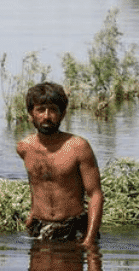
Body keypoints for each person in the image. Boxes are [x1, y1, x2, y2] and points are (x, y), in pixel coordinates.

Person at [16, 82, 103, 245]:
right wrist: (31, 215)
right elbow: (36, 182)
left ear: (62, 114)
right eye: (40, 110)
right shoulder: (24, 147)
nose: (46, 116)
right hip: (39, 228)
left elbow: (95, 194)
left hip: (73, 229)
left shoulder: (78, 147)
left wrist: (90, 239)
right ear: (31, 114)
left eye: (53, 110)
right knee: (37, 270)